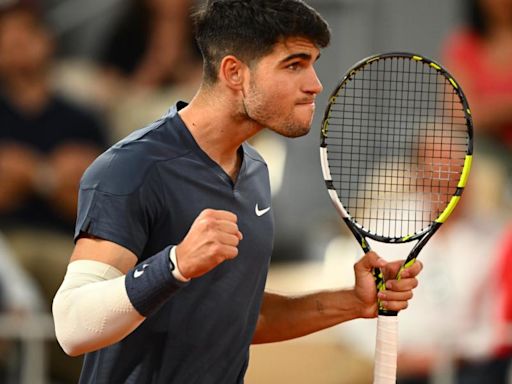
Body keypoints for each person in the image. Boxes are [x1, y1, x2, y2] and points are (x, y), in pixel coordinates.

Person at [52, 1, 423, 383]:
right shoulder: (131, 169)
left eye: (312, 63)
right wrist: (174, 264)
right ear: (234, 72)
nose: (315, 83)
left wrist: (351, 302)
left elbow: (242, 317)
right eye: (294, 64)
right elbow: (73, 325)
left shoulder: (256, 172)